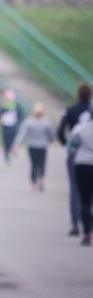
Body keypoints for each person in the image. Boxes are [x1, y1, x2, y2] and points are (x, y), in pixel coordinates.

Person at [57, 81, 92, 237]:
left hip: (76, 155)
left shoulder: (70, 110)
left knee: (75, 190)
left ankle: (75, 224)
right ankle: (88, 222)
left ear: (78, 94)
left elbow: (60, 131)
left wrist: (67, 147)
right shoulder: (90, 111)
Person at [13, 103, 54, 192]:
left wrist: (16, 144)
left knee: (34, 165)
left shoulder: (29, 122)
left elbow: (22, 133)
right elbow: (51, 134)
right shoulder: (46, 122)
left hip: (32, 146)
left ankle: (33, 184)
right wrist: (50, 140)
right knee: (42, 163)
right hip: (43, 146)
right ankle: (41, 180)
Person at [69, 118, 93, 246]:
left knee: (85, 200)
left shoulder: (81, 128)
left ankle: (87, 233)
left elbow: (71, 145)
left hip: (82, 164)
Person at [0, 88, 24, 164]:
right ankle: (7, 157)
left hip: (13, 127)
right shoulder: (3, 107)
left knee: (12, 142)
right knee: (6, 143)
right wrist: (0, 118)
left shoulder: (17, 107)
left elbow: (21, 116)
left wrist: (17, 123)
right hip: (5, 127)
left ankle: (12, 150)